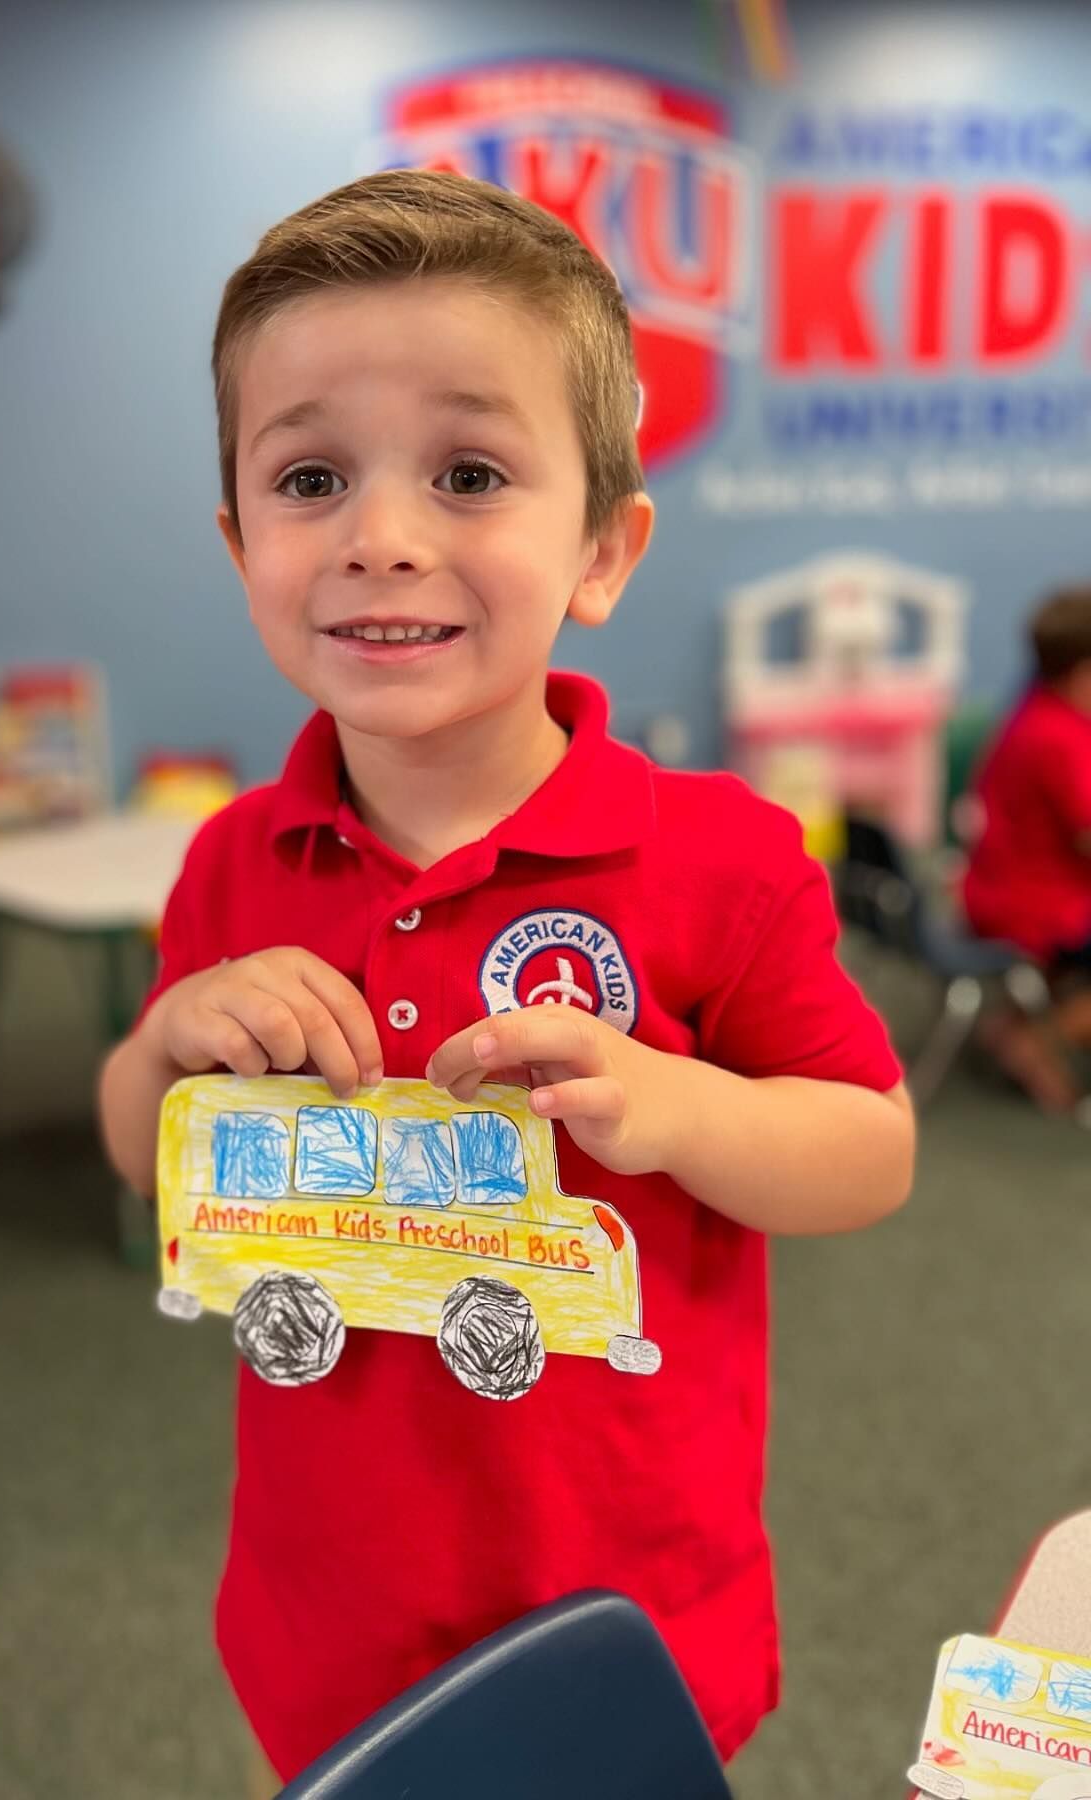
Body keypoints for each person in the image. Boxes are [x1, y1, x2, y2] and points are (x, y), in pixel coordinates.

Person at [99, 170, 915, 1795]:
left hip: (622, 1614)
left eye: (470, 473)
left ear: (603, 549)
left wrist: (680, 1108)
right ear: (241, 538)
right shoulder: (233, 867)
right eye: (310, 477)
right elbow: (139, 1145)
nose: (381, 538)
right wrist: (169, 1047)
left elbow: (872, 1148)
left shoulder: (722, 862)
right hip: (322, 1616)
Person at [963, 590, 1091, 1111]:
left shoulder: (1033, 707)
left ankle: (1018, 1021)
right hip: (1039, 906)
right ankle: (1037, 1039)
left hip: (997, 886)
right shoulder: (1059, 738)